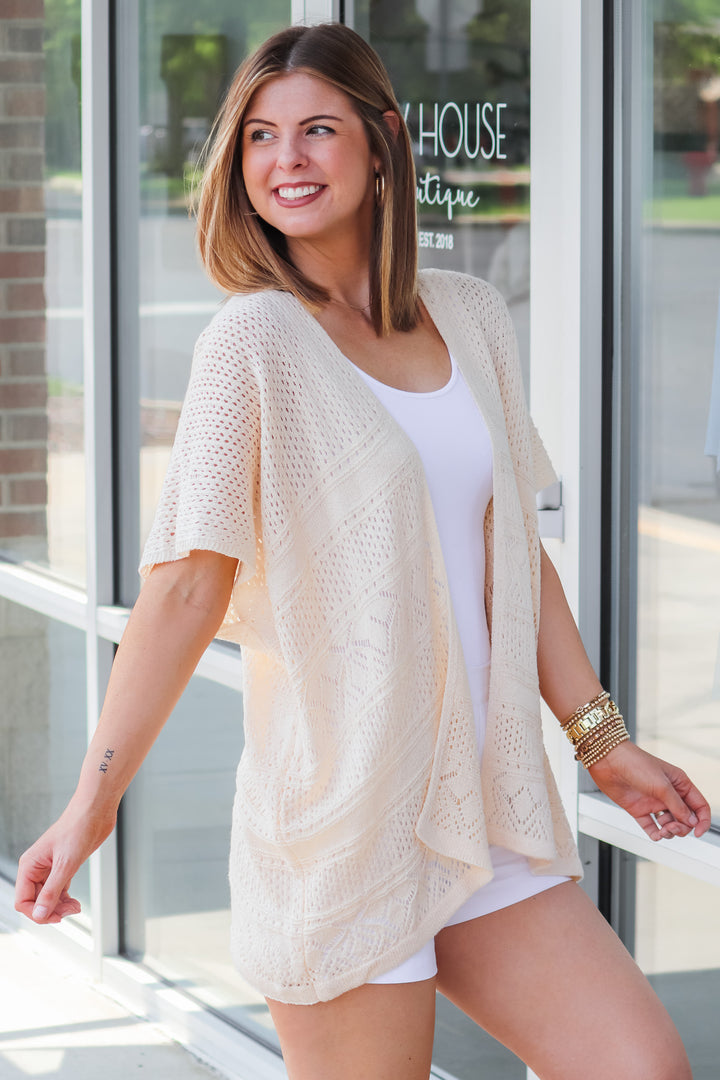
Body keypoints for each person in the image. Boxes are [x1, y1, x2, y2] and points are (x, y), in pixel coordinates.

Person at [15, 23, 711, 1080]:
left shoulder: (470, 317)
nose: (285, 159)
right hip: (342, 831)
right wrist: (90, 801)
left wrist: (602, 742)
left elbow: (513, 553)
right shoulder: (252, 343)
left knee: (639, 1065)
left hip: (489, 812)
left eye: (317, 130)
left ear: (383, 142)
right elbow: (183, 592)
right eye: (259, 136)